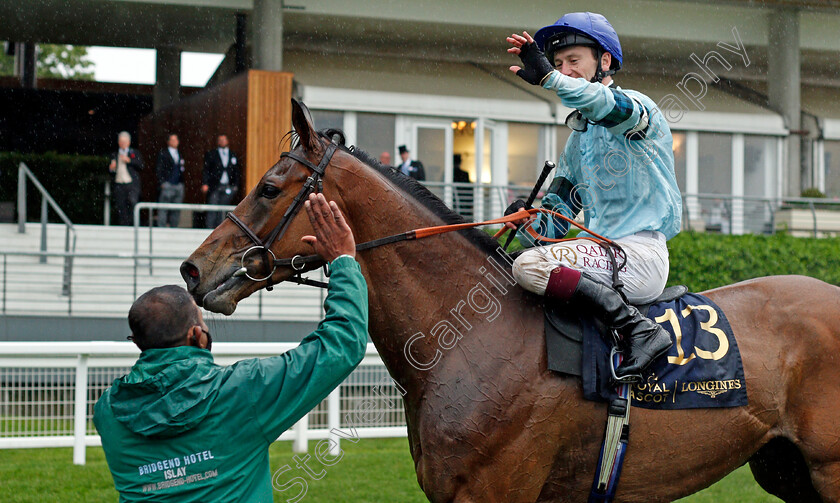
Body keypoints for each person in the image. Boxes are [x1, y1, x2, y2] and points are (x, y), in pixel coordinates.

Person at [94, 193, 367, 502]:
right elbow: (342, 344)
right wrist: (343, 261)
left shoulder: (108, 411)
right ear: (198, 336)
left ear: (139, 343)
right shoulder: (243, 391)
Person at [504, 12, 682, 380]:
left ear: (604, 62)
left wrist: (552, 80)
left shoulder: (637, 109)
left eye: (573, 61)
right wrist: (526, 224)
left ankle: (639, 330)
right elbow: (556, 218)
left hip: (639, 256)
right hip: (601, 253)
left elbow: (603, 104)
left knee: (530, 267)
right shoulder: (578, 142)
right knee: (515, 262)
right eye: (556, 64)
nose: (564, 70)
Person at [202, 134, 242, 229]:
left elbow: (236, 171)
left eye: (224, 140)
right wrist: (205, 183)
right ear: (217, 142)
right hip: (215, 185)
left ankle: (221, 229)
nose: (222, 142)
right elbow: (206, 170)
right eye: (220, 140)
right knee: (213, 208)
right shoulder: (211, 154)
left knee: (224, 210)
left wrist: (235, 186)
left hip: (228, 186)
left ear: (227, 141)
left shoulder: (232, 155)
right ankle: (210, 229)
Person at [108, 131, 144, 226]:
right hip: (119, 184)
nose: (123, 144)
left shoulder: (134, 153)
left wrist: (129, 160)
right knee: (121, 206)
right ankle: (124, 225)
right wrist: (111, 168)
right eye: (121, 142)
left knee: (133, 203)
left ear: (128, 142)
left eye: (125, 142)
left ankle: (134, 224)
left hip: (131, 184)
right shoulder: (114, 155)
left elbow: (141, 165)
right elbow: (109, 171)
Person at [155, 133, 185, 228]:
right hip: (167, 184)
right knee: (163, 208)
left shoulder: (179, 154)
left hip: (178, 185)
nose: (174, 142)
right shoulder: (163, 153)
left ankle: (174, 228)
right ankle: (162, 228)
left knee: (176, 209)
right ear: (168, 142)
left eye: (176, 140)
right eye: (172, 140)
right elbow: (159, 169)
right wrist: (162, 182)